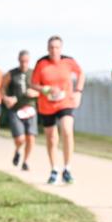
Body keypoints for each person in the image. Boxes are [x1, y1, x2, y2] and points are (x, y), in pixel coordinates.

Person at [30, 36, 84, 184]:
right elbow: (33, 84)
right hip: (47, 105)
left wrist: (78, 92)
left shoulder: (69, 61)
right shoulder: (41, 63)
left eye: (57, 47)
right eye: (51, 47)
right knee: (52, 138)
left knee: (67, 130)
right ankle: (54, 169)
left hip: (65, 102)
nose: (54, 50)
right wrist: (45, 89)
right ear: (48, 49)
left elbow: (81, 74)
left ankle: (67, 168)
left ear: (61, 48)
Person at [1, 51, 38, 172]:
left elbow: (42, 90)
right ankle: (17, 151)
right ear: (18, 60)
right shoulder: (11, 74)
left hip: (30, 109)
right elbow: (1, 89)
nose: (24, 64)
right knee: (20, 139)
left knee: (31, 137)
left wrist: (36, 93)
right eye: (22, 61)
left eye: (26, 61)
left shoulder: (34, 74)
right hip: (15, 110)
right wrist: (6, 98)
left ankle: (26, 161)